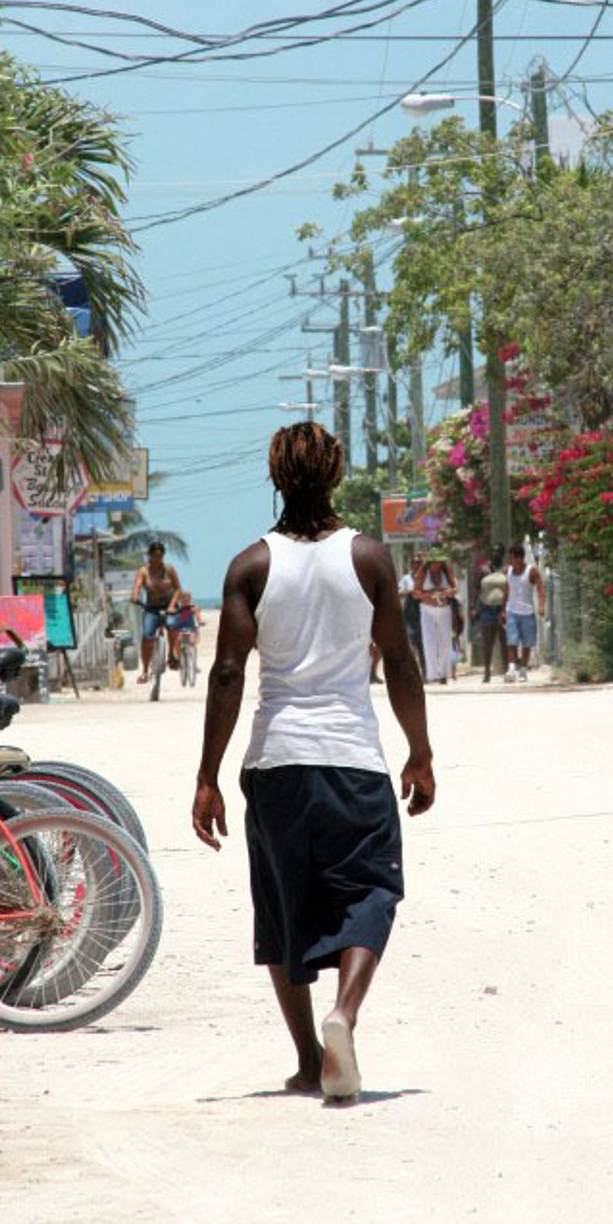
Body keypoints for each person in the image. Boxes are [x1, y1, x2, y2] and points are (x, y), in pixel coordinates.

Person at [191, 422, 435, 1101]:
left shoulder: (250, 565)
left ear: (275, 476)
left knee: (283, 908)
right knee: (370, 892)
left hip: (277, 764)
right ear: (334, 474)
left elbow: (227, 673)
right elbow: (403, 665)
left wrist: (208, 776)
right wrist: (419, 751)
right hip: (353, 759)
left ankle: (307, 1058)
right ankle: (344, 1015)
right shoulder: (368, 557)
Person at [131, 542, 182, 683]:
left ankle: (172, 653)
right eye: (154, 555)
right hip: (151, 607)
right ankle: (145, 671)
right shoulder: (143, 571)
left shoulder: (169, 570)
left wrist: (172, 606)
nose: (157, 558)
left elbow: (178, 589)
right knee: (147, 636)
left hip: (169, 605)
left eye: (160, 556)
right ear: (149, 555)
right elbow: (138, 585)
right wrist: (135, 596)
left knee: (173, 625)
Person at [502, 542, 545, 683]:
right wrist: (503, 609)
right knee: (511, 641)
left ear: (519, 558)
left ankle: (523, 670)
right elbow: (507, 590)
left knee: (526, 644)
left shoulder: (531, 571)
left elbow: (540, 587)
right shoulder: (507, 571)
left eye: (512, 558)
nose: (510, 561)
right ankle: (511, 668)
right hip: (512, 611)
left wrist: (541, 605)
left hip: (527, 612)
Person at [414, 554, 457, 685]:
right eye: (434, 562)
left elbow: (455, 590)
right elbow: (416, 594)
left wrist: (444, 592)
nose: (436, 564)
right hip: (427, 610)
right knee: (429, 642)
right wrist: (431, 593)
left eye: (439, 562)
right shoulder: (422, 573)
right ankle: (432, 674)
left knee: (445, 643)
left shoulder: (446, 571)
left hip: (444, 610)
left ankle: (444, 673)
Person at [476, 547, 508, 684]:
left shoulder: (507, 570)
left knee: (504, 641)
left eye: (498, 552)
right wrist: (473, 608)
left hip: (503, 608)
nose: (495, 554)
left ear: (502, 554)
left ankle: (507, 670)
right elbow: (476, 588)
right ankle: (487, 671)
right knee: (487, 642)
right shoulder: (483, 570)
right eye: (493, 551)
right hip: (487, 608)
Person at [398, 551, 426, 674]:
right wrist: (411, 592)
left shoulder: (426, 577)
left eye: (419, 563)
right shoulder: (406, 579)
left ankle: (425, 670)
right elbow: (398, 593)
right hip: (410, 613)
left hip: (425, 611)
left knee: (423, 643)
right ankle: (412, 671)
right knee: (411, 641)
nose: (417, 565)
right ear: (411, 565)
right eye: (414, 563)